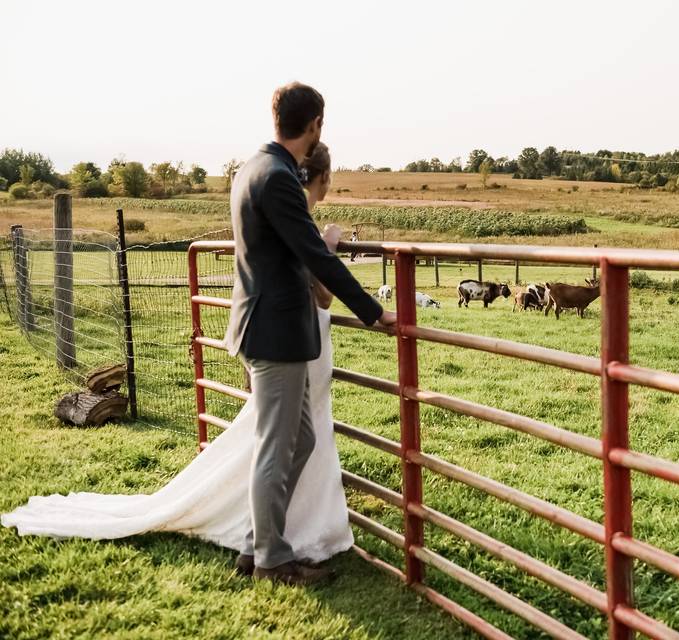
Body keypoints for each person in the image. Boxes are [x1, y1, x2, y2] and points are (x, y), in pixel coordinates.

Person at [2, 84, 396, 588]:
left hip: (272, 329)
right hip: (275, 333)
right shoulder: (275, 177)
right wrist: (372, 311)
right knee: (278, 447)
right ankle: (270, 559)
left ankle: (260, 543)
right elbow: (313, 256)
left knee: (298, 440)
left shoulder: (254, 167)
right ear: (316, 122)